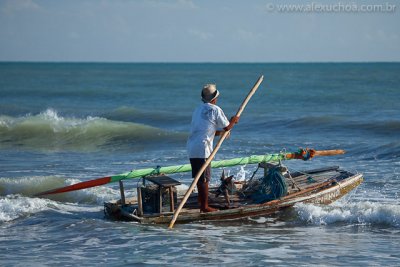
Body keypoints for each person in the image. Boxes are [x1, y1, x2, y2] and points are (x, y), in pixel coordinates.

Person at [187, 84, 239, 212]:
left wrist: (219, 133)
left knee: (199, 177)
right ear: (214, 99)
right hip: (203, 147)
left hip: (192, 146)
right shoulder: (215, 109)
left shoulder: (198, 109)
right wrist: (234, 120)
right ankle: (204, 207)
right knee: (204, 178)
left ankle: (201, 201)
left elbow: (204, 129)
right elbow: (227, 126)